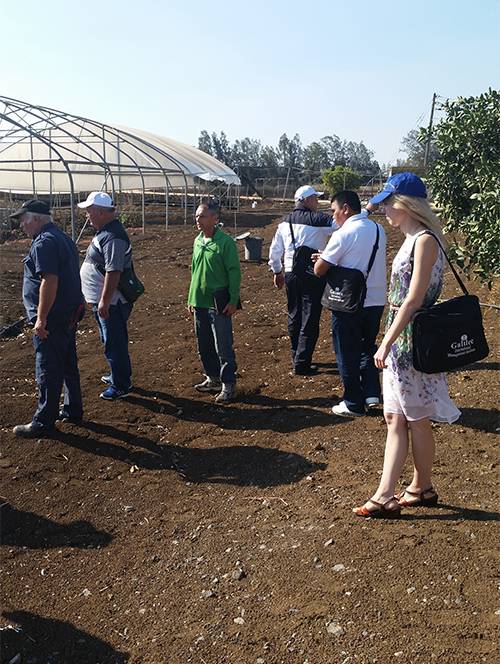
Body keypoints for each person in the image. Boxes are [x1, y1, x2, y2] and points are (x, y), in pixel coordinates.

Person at [353, 173, 461, 518]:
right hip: (402, 337)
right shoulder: (412, 238)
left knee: (415, 418)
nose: (384, 207)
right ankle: (414, 488)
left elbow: (413, 300)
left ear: (407, 204)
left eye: (389, 201)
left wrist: (386, 341)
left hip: (411, 340)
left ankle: (404, 490)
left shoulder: (425, 241)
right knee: (395, 416)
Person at [11, 200, 84, 437]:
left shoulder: (44, 243)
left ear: (37, 218)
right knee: (67, 362)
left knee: (48, 367)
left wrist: (41, 319)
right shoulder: (62, 238)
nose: (22, 224)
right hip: (68, 312)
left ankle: (44, 421)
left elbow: (49, 280)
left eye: (24, 219)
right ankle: (72, 409)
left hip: (53, 317)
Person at [314, 191, 386, 416]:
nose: (333, 217)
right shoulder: (378, 230)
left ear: (345, 208)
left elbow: (320, 270)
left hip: (349, 302)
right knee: (367, 346)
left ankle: (353, 402)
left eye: (334, 211)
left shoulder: (343, 233)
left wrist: (322, 257)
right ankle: (372, 393)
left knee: (346, 352)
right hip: (375, 299)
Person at [268, 185, 335, 375]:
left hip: (290, 273)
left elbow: (275, 251)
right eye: (315, 198)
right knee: (310, 316)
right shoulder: (319, 220)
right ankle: (302, 362)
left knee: (294, 314)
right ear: (307, 200)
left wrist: (277, 271)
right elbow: (343, 224)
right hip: (312, 273)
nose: (317, 202)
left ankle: (295, 354)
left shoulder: (284, 222)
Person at [78, 191, 134, 400]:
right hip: (107, 301)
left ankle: (121, 385)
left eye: (89, 211)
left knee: (114, 342)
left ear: (101, 212)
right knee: (110, 339)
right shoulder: (107, 232)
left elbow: (114, 271)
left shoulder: (113, 237)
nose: (87, 215)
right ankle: (117, 375)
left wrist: (104, 300)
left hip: (113, 302)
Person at [188, 200, 241, 403]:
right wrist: (190, 298)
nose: (197, 220)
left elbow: (234, 273)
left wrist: (233, 300)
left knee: (223, 345)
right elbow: (194, 270)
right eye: (196, 216)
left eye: (202, 216)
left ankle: (229, 384)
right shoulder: (198, 240)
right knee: (204, 344)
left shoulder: (225, 242)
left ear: (215, 218)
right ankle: (213, 378)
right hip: (199, 301)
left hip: (218, 302)